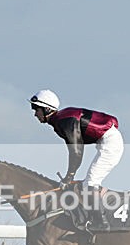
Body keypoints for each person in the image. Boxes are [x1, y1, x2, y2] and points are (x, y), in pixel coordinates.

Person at [30, 88, 124, 231]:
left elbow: (76, 152)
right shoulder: (60, 120)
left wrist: (69, 176)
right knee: (87, 184)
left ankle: (102, 223)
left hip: (110, 142)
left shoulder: (64, 121)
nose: (35, 114)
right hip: (105, 141)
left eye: (37, 109)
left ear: (47, 109)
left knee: (90, 184)